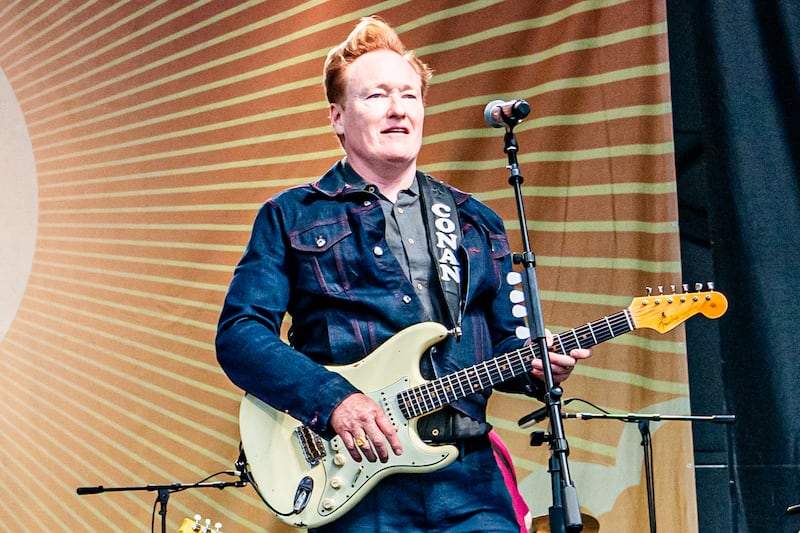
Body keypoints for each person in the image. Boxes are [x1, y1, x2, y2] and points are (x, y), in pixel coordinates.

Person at [216, 16, 591, 533]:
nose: (397, 110)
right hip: (359, 476)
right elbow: (240, 334)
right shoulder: (291, 215)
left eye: (409, 96)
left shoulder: (475, 222)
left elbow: (508, 345)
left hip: (467, 474)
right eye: (376, 97)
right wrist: (335, 401)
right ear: (337, 117)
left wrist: (539, 364)